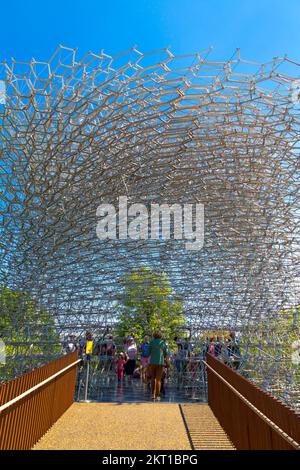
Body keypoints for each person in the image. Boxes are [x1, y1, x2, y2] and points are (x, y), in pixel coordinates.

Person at [149, 331, 168, 401]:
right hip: (160, 363)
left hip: (152, 362)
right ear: (160, 336)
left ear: (154, 336)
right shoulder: (162, 343)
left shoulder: (151, 342)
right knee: (158, 379)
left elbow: (149, 352)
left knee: (152, 378)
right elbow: (166, 353)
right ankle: (158, 395)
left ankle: (152, 394)